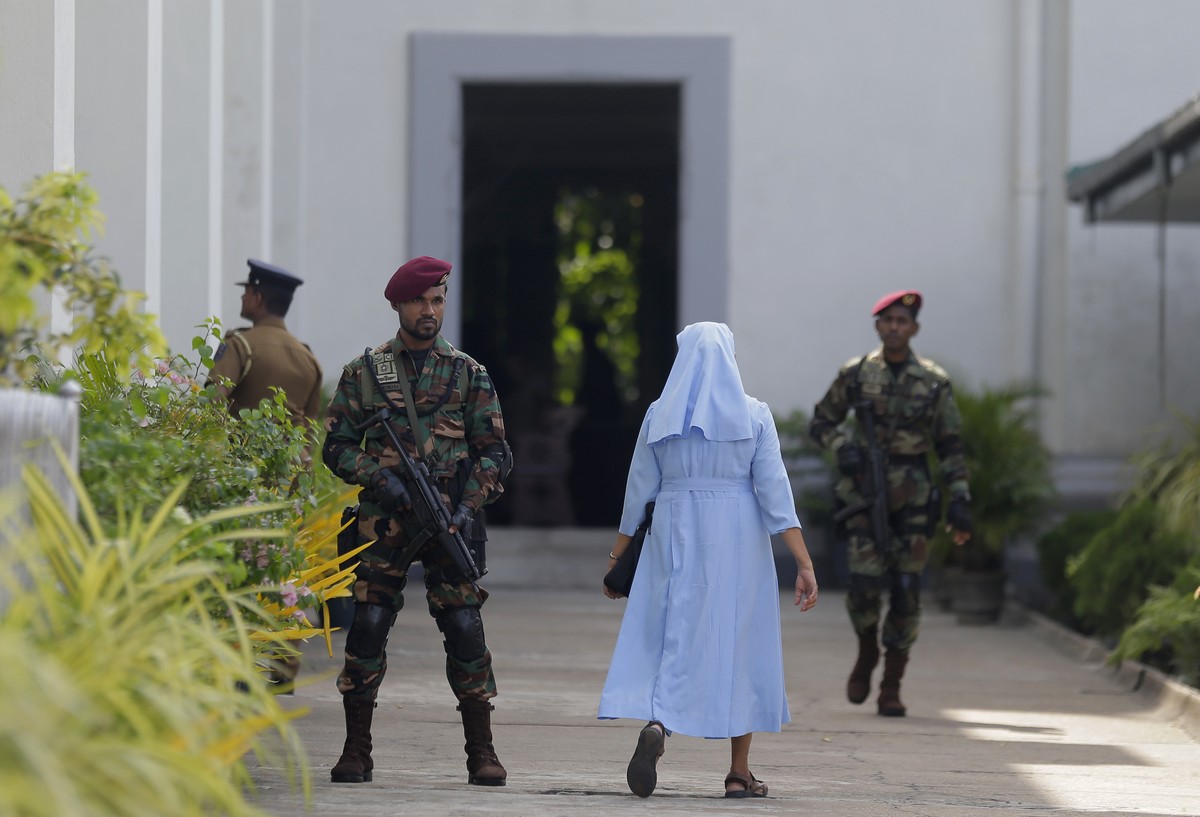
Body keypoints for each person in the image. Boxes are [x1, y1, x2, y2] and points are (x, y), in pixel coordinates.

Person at [598, 321, 819, 800]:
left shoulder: (660, 415)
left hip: (673, 531)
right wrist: (803, 563)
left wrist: (617, 560)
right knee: (740, 642)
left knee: (671, 631)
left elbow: (637, 494)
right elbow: (776, 496)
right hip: (738, 534)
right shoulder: (754, 415)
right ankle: (739, 772)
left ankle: (660, 723)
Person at [321, 255, 509, 786]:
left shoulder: (468, 373)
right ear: (398, 305)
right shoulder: (366, 373)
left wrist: (467, 505)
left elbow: (496, 452)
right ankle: (356, 750)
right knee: (369, 625)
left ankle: (482, 752)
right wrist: (380, 479)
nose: (430, 310)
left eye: (438, 299)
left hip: (449, 517)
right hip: (385, 519)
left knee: (465, 627)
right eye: (420, 301)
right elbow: (335, 444)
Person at [807, 289, 972, 717]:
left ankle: (892, 684)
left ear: (914, 329)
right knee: (863, 587)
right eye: (889, 321)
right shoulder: (857, 374)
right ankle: (867, 650)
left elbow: (951, 445)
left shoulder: (934, 381)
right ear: (878, 326)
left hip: (914, 496)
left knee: (905, 591)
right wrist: (843, 446)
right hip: (863, 492)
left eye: (904, 321)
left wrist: (960, 500)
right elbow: (822, 421)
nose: (896, 328)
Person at [208, 259, 323, 428]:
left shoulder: (239, 345)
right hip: (292, 453)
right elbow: (310, 425)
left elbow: (213, 401)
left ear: (258, 299)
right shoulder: (308, 358)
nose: (242, 296)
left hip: (242, 451)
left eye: (246, 291)